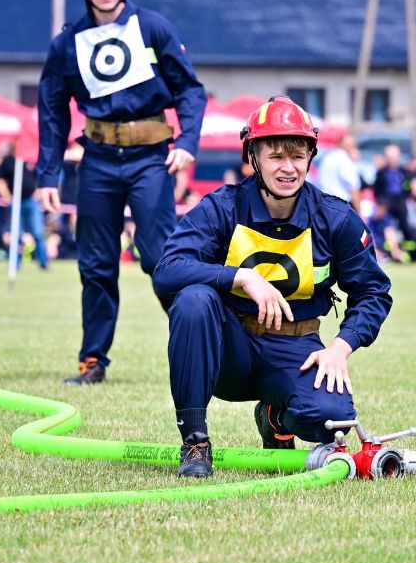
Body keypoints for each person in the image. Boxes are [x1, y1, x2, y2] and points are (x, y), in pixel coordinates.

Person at [152, 96, 392, 478]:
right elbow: (168, 269)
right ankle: (195, 441)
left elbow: (374, 293)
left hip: (295, 346)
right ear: (253, 157)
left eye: (297, 156)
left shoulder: (336, 218)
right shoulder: (221, 207)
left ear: (311, 158)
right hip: (228, 352)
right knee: (194, 300)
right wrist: (240, 277)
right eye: (275, 156)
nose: (288, 168)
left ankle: (275, 415)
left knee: (332, 422)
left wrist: (340, 348)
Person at [35, 0, 207, 384]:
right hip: (96, 160)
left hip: (151, 159)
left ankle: (196, 347)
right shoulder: (67, 43)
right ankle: (93, 361)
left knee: (161, 257)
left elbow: (189, 89)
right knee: (95, 263)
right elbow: (52, 110)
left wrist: (187, 140)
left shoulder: (154, 28)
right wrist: (47, 174)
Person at [315, 133, 361, 208]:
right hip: (341, 205)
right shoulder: (345, 159)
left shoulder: (328, 157)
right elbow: (353, 187)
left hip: (324, 203)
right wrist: (359, 213)